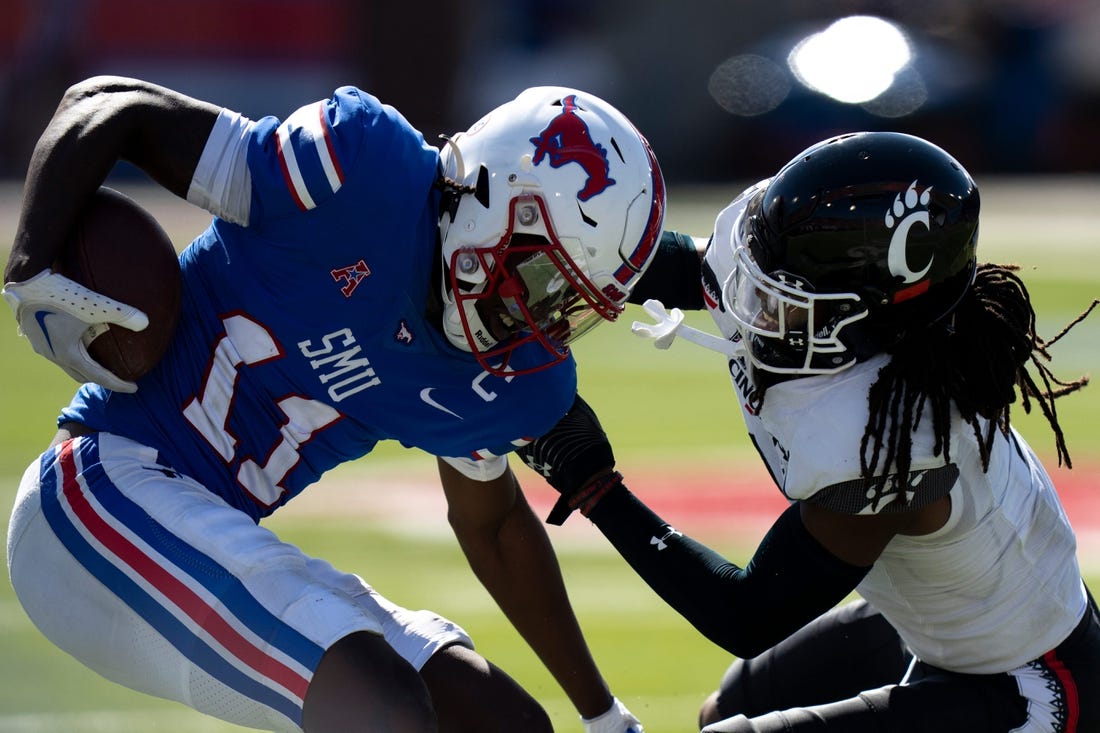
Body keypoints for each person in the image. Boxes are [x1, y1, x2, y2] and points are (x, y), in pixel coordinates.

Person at [2, 75, 665, 732]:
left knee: (502, 725)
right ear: (493, 200)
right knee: (381, 705)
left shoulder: (515, 380)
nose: (543, 321)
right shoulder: (361, 168)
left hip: (204, 532)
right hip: (95, 496)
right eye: (545, 279)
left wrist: (603, 715)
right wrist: (29, 264)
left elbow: (492, 526)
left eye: (568, 306)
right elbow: (110, 107)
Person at [517, 131, 1100, 732]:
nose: (748, 306)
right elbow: (690, 269)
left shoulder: (895, 440)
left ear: (870, 321)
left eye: (784, 302)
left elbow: (747, 616)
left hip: (1028, 684)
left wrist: (593, 484)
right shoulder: (831, 318)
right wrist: (554, 259)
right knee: (730, 706)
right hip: (936, 623)